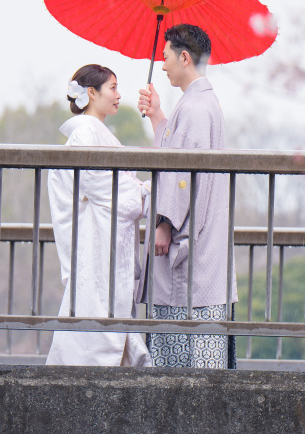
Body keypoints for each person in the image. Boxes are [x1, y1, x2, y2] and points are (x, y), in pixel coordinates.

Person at [137, 23, 237, 369]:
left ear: (183, 57)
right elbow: (180, 154)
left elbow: (182, 175)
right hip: (203, 238)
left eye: (165, 57)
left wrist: (164, 222)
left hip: (188, 240)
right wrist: (158, 115)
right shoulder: (199, 102)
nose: (161, 65)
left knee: (180, 362)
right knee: (202, 348)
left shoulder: (194, 108)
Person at [47, 64, 151, 367]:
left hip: (105, 237)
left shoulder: (95, 132)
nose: (119, 95)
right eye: (113, 88)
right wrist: (143, 193)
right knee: (95, 311)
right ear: (91, 93)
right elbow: (106, 189)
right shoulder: (85, 134)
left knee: (103, 310)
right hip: (97, 239)